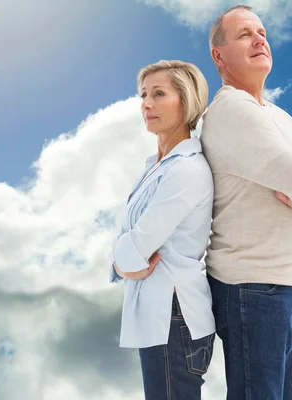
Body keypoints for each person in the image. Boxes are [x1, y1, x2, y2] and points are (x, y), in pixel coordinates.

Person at [200, 5, 292, 399]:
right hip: (251, 289)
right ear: (219, 56)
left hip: (285, 288)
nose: (259, 39)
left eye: (261, 32)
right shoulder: (231, 110)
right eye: (244, 34)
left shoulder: (280, 116)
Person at [109, 60, 216, 400]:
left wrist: (121, 259)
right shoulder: (154, 167)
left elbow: (136, 244)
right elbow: (123, 243)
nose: (146, 103)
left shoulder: (186, 171)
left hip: (174, 315)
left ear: (186, 101)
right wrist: (119, 262)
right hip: (158, 314)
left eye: (158, 93)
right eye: (143, 94)